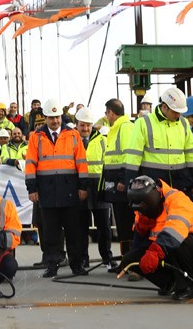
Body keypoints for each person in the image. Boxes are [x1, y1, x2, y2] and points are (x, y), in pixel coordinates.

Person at [25, 97, 88, 278]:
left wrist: (83, 186)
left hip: (69, 190)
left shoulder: (73, 134)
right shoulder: (36, 137)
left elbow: (81, 162)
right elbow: (30, 164)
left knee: (73, 230)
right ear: (45, 118)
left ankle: (76, 265)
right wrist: (32, 189)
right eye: (51, 118)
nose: (55, 121)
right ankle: (52, 265)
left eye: (57, 117)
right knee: (50, 232)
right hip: (47, 191)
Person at [117, 176, 193, 300]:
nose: (141, 207)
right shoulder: (142, 205)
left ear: (153, 196)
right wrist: (143, 225)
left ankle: (188, 286)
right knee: (130, 260)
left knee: (181, 242)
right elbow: (140, 238)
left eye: (144, 204)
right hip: (167, 248)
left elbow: (175, 231)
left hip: (185, 246)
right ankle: (171, 283)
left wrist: (154, 252)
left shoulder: (177, 199)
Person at [124, 86, 193, 193]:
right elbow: (133, 157)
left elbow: (191, 154)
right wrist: (130, 183)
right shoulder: (143, 123)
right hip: (154, 185)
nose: (178, 115)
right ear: (164, 107)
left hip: (180, 184)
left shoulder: (183, 123)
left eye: (180, 112)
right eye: (175, 111)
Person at [75, 107, 116, 271]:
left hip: (99, 187)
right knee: (81, 227)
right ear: (77, 125)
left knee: (104, 227)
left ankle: (107, 258)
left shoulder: (102, 140)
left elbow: (108, 164)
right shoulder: (72, 141)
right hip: (80, 188)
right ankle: (82, 260)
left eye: (88, 125)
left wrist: (108, 187)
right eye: (82, 125)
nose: (85, 129)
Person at [103, 98, 136, 266]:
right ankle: (126, 261)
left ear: (111, 112)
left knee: (126, 224)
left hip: (122, 183)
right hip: (116, 183)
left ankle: (129, 262)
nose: (105, 116)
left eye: (106, 112)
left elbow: (130, 155)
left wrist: (124, 179)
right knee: (122, 225)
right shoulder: (117, 128)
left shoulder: (125, 128)